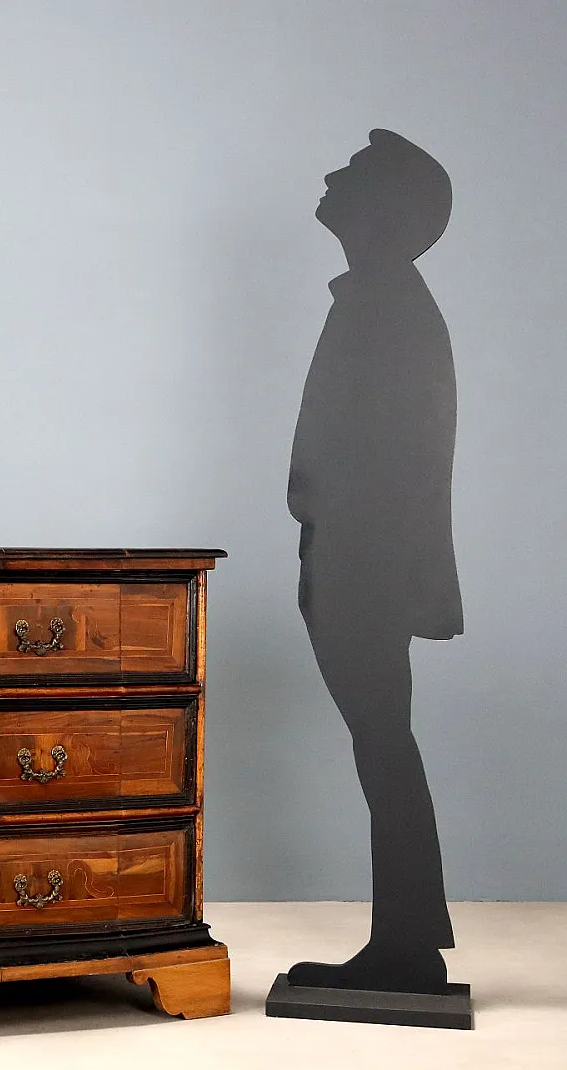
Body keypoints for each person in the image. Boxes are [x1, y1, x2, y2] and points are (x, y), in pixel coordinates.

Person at [285, 129, 462, 994]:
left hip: (364, 562)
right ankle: (409, 935)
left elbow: (396, 457)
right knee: (383, 740)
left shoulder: (386, 305)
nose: (329, 176)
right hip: (356, 556)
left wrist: (341, 555)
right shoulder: (382, 299)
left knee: (382, 740)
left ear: (383, 209)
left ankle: (407, 944)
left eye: (351, 173)